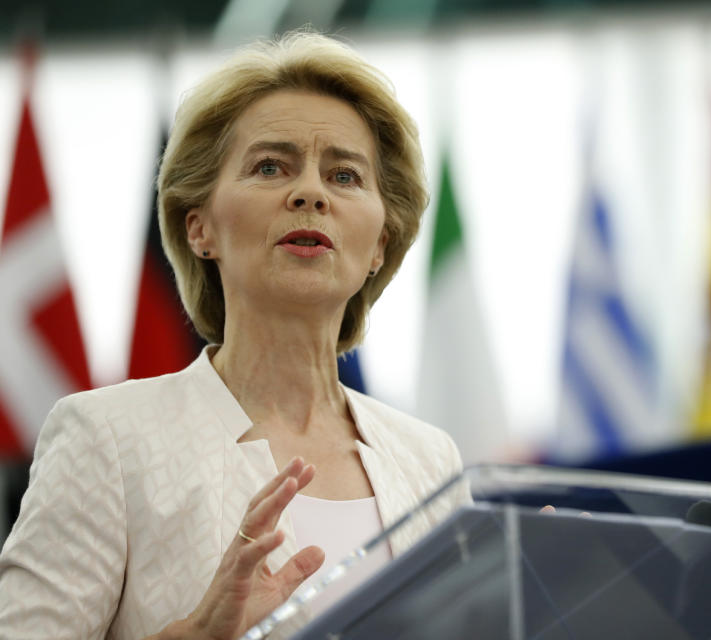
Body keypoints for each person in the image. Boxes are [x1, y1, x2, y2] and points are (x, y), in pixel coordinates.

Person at [0, 30, 463, 640]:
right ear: (200, 230)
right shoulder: (107, 440)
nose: (310, 193)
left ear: (380, 243)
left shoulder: (431, 461)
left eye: (345, 176)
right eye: (270, 166)